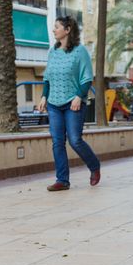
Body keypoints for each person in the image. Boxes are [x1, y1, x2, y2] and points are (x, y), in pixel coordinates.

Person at [37, 15, 100, 191]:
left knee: (75, 140)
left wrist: (79, 95)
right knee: (57, 142)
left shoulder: (80, 51)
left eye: (57, 27)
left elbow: (87, 77)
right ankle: (62, 180)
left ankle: (94, 166)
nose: (53, 30)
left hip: (73, 103)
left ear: (67, 30)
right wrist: (44, 96)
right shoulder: (53, 52)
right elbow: (47, 77)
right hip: (54, 104)